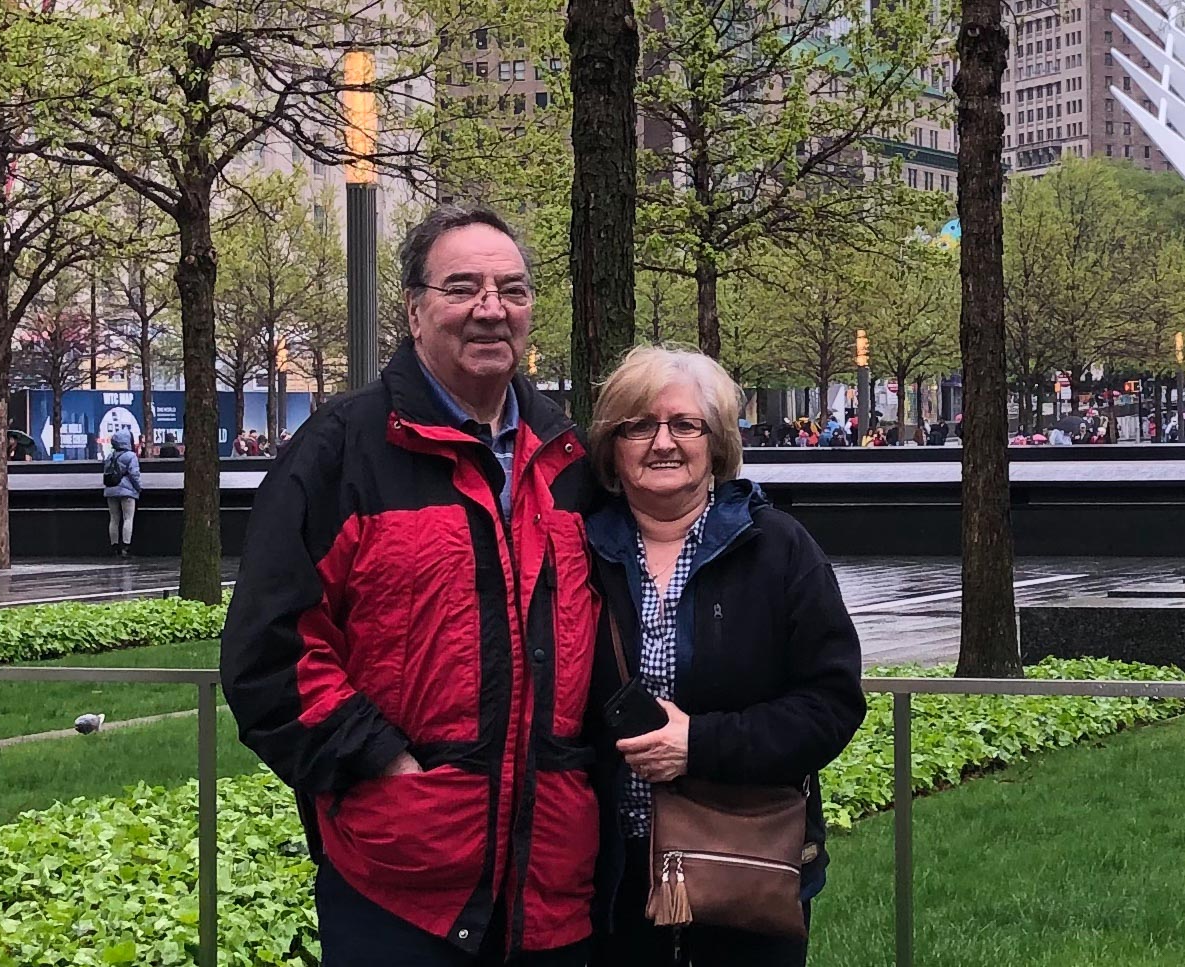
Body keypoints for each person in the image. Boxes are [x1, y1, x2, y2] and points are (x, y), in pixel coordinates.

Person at [220, 206, 600, 967]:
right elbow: (271, 651)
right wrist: (384, 765)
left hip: (551, 887)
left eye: (512, 289)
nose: (491, 309)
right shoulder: (340, 453)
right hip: (399, 884)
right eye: (463, 287)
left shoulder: (569, 459)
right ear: (414, 308)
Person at [585, 346, 866, 967]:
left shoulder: (778, 550)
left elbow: (832, 702)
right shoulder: (573, 549)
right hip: (600, 880)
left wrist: (702, 744)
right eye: (639, 425)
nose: (663, 442)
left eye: (685, 425)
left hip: (743, 863)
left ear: (715, 443)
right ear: (612, 445)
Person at [102, 429, 141, 556]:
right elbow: (134, 474)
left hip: (110, 490)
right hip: (127, 491)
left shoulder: (110, 456)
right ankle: (126, 547)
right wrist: (138, 488)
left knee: (113, 519)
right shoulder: (131, 456)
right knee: (128, 519)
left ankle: (114, 547)